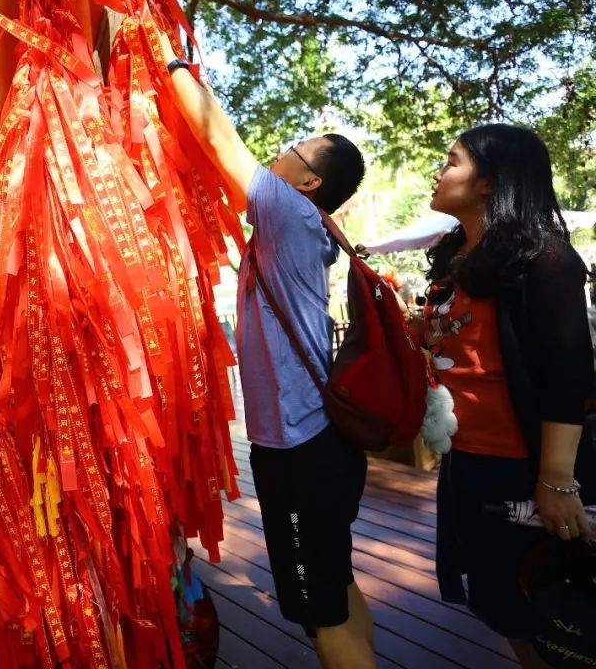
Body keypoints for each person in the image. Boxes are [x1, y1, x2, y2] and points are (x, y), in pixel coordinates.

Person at [158, 35, 375, 668]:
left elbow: (218, 138)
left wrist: (165, 55)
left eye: (295, 149)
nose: (279, 150)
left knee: (320, 613)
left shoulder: (290, 213)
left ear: (310, 180)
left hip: (304, 449)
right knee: (336, 587)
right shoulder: (299, 227)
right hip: (316, 444)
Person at [423, 124, 595, 668]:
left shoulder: (545, 261)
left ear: (488, 184)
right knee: (507, 607)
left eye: (450, 162)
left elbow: (567, 380)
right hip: (466, 466)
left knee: (556, 618)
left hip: (524, 469)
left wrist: (556, 482)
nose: (436, 171)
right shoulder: (456, 259)